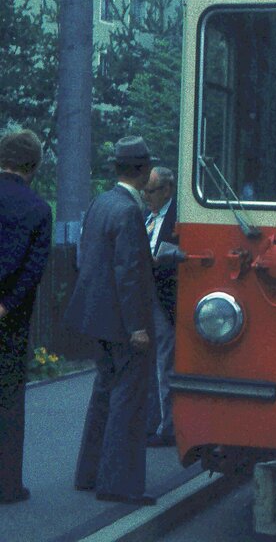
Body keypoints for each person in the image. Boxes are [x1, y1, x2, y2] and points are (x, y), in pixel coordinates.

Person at [64, 135, 159, 506]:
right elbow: (128, 273)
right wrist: (137, 326)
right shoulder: (129, 212)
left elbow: (91, 259)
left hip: (96, 317)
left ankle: (88, 474)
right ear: (144, 171)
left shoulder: (101, 203)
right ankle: (118, 484)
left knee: (103, 393)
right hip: (123, 322)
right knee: (128, 400)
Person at [0, 129, 52, 505]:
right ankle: (7, 486)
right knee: (8, 401)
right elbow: (33, 269)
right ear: (32, 166)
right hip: (11, 321)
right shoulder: (38, 209)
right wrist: (6, 305)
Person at [143, 166, 183, 447]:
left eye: (151, 191)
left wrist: (160, 261)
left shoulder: (179, 215)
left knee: (164, 361)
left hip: (166, 298)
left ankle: (167, 426)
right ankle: (153, 420)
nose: (146, 197)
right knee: (151, 361)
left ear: (167, 190)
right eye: (144, 192)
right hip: (147, 295)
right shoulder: (148, 216)